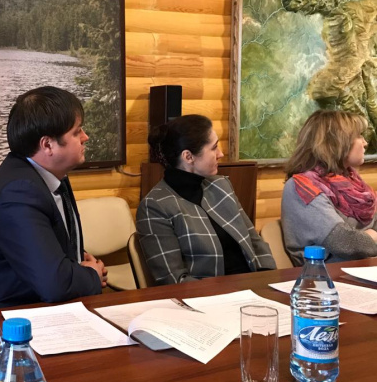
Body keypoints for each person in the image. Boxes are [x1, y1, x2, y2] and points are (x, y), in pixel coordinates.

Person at [0, 86, 106, 307]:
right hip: (9, 318)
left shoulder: (50, 175)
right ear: (48, 145)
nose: (85, 137)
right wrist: (92, 275)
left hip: (47, 308)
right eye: (77, 132)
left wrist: (80, 260)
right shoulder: (18, 192)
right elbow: (54, 284)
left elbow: (52, 245)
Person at [137, 114, 276, 285]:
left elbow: (255, 242)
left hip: (252, 288)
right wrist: (227, 294)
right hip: (209, 296)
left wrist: (268, 280)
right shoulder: (155, 206)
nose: (221, 154)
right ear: (188, 157)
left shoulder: (221, 185)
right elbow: (173, 279)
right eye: (214, 147)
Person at [281, 109, 377, 265]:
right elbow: (346, 243)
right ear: (337, 142)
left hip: (363, 268)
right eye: (359, 136)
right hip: (325, 274)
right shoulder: (301, 187)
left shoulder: (353, 182)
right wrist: (371, 237)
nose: (365, 143)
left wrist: (368, 238)